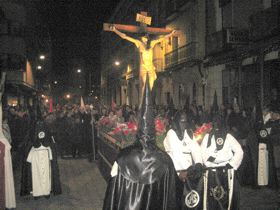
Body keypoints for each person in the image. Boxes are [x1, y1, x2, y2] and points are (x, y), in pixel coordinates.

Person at [103, 75, 180, 210]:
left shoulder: (123, 157)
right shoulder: (165, 160)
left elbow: (113, 185)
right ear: (154, 133)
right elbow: (172, 195)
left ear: (138, 132)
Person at [110, 25, 176, 95]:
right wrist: (115, 30)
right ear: (141, 38)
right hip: (144, 66)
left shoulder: (152, 43)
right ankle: (144, 98)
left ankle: (147, 98)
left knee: (151, 83)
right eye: (143, 37)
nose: (145, 39)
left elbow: (162, 38)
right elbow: (125, 37)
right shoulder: (138, 43)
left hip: (150, 66)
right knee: (145, 84)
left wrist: (171, 34)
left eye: (146, 37)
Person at [200, 116, 243, 210]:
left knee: (226, 197)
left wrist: (232, 164)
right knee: (212, 197)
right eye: (214, 123)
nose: (217, 127)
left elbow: (239, 151)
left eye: (218, 123)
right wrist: (209, 164)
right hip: (212, 172)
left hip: (226, 171)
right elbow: (202, 152)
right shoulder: (207, 137)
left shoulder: (228, 136)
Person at [164, 110, 203, 210]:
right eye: (181, 121)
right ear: (177, 121)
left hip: (189, 170)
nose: (183, 124)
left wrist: (198, 163)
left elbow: (196, 149)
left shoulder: (188, 133)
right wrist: (187, 168)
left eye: (185, 121)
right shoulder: (171, 133)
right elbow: (176, 153)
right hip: (176, 170)